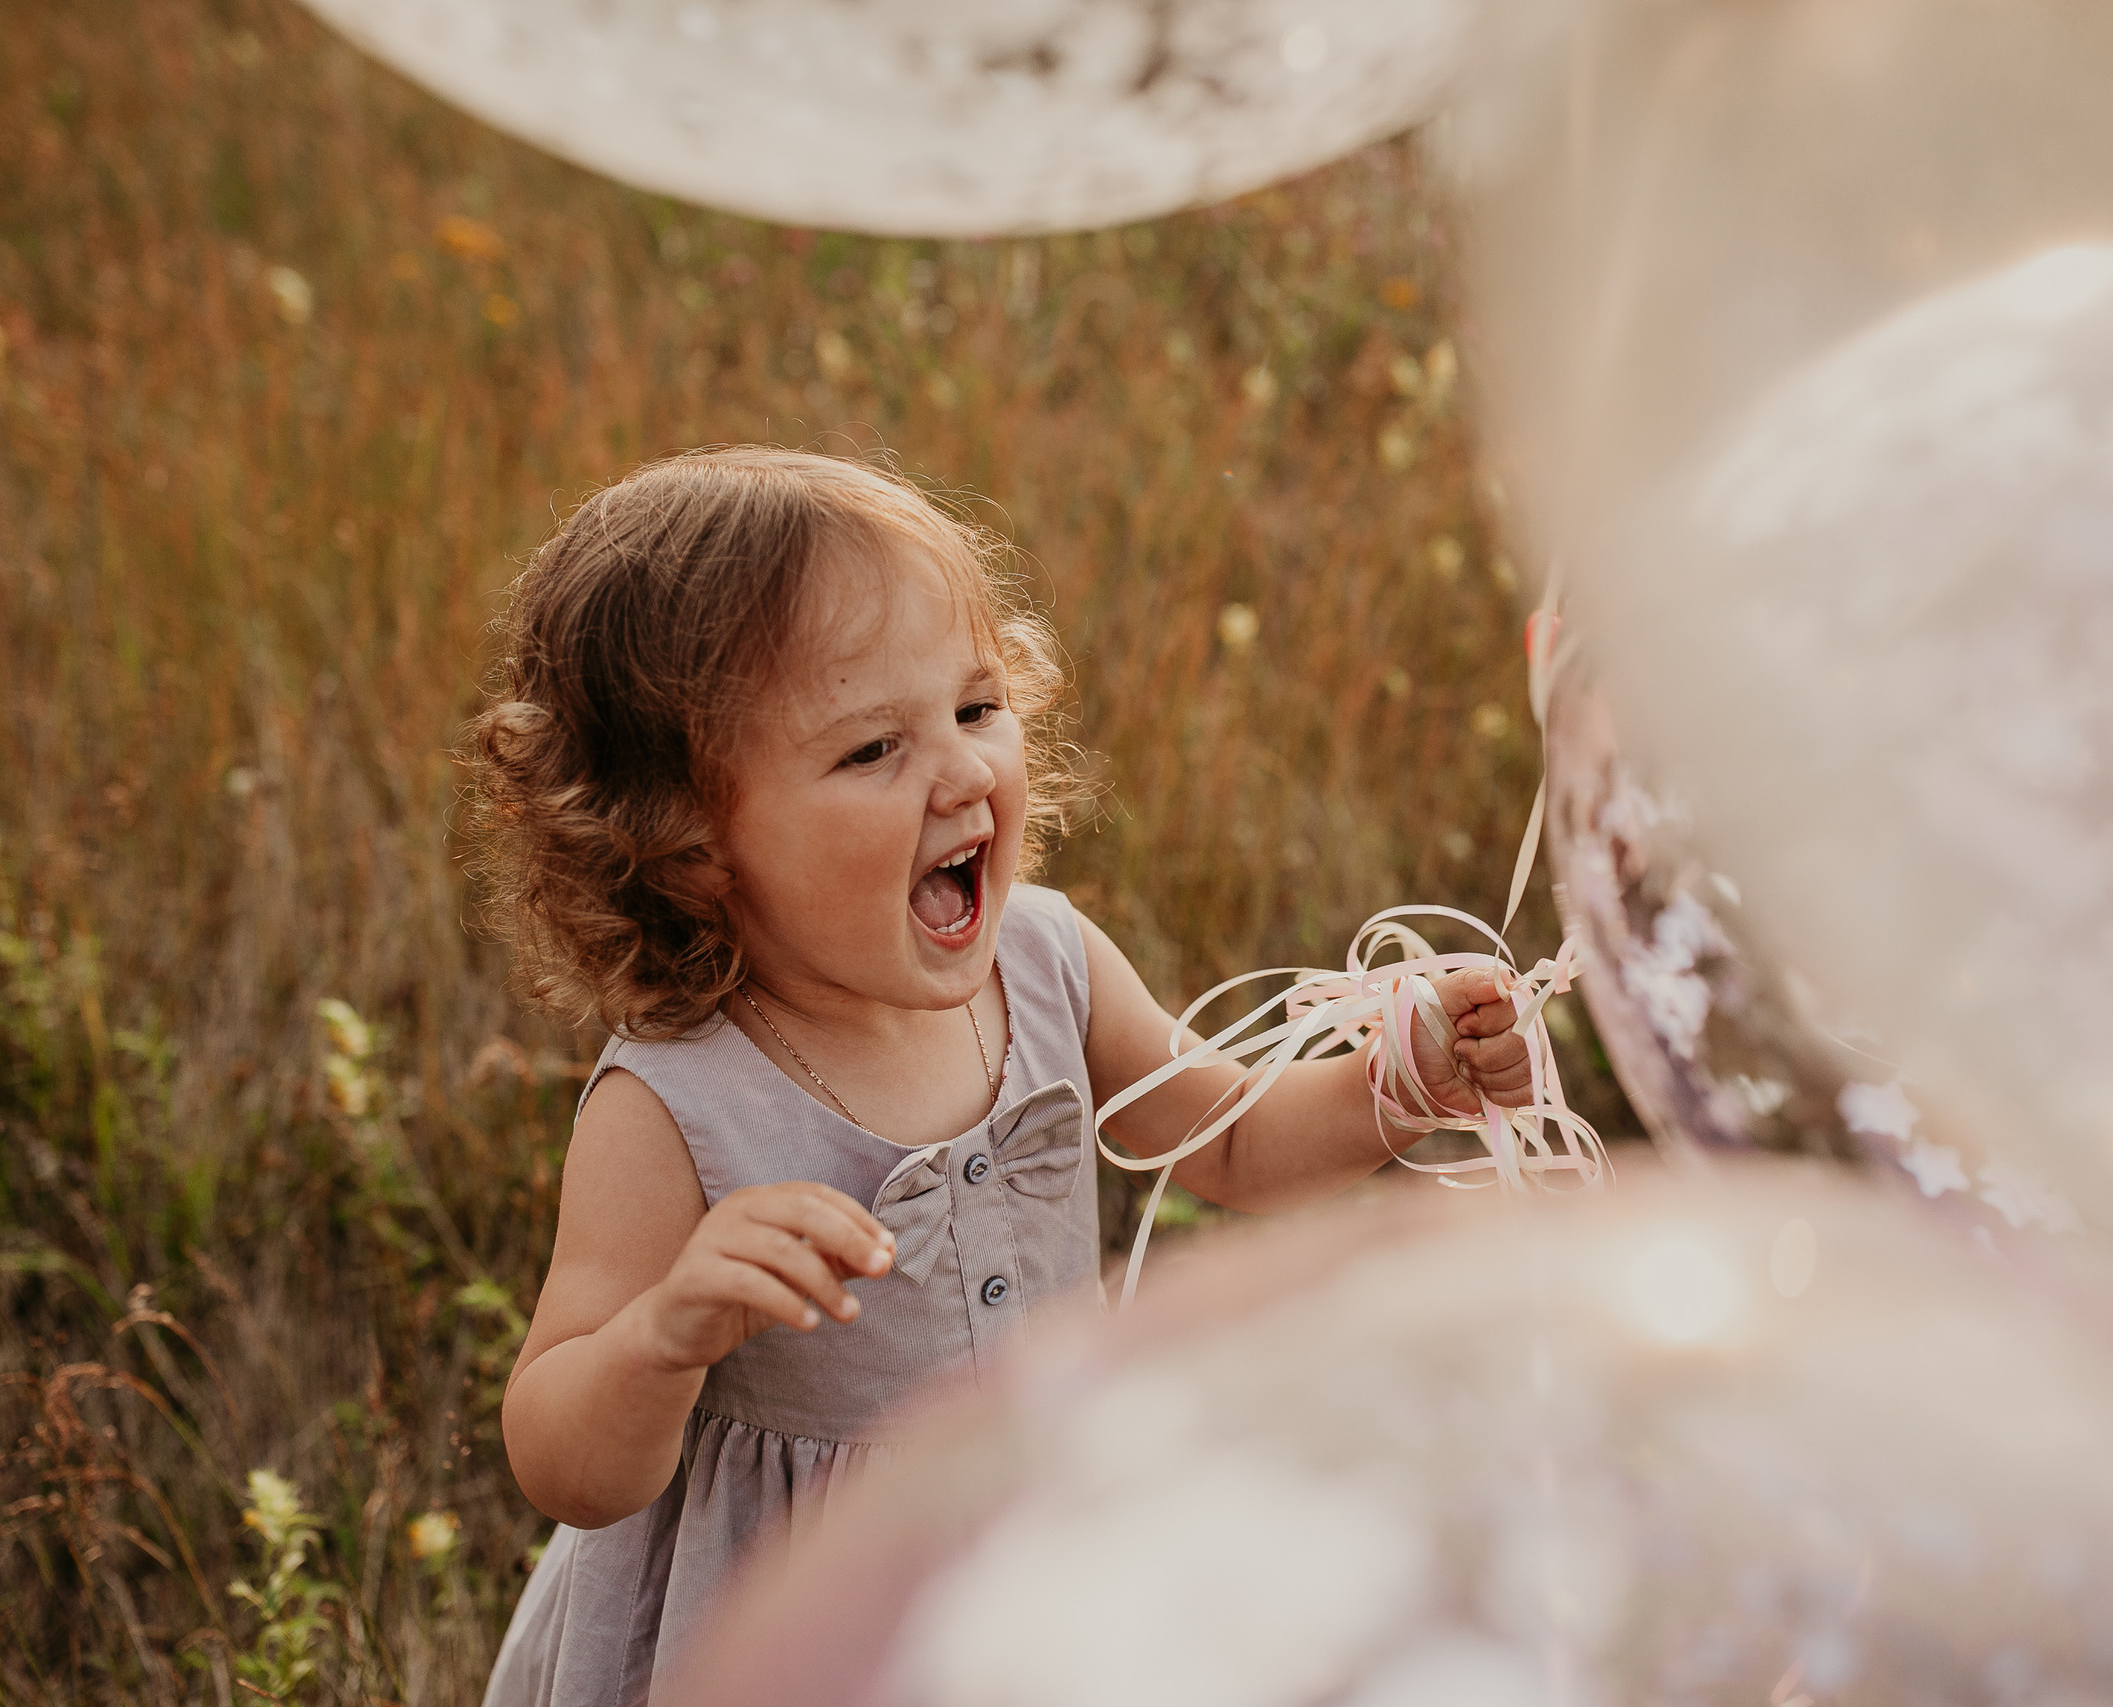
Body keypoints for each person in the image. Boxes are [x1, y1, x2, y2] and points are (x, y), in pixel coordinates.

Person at [468, 448, 1538, 1707]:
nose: (967, 773)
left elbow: (1231, 1144)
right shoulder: (678, 1104)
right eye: (873, 749)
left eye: (976, 709)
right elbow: (561, 1459)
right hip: (800, 1610)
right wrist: (665, 1333)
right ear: (690, 844)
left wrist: (1397, 1080)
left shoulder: (1046, 962)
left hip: (1033, 1545)